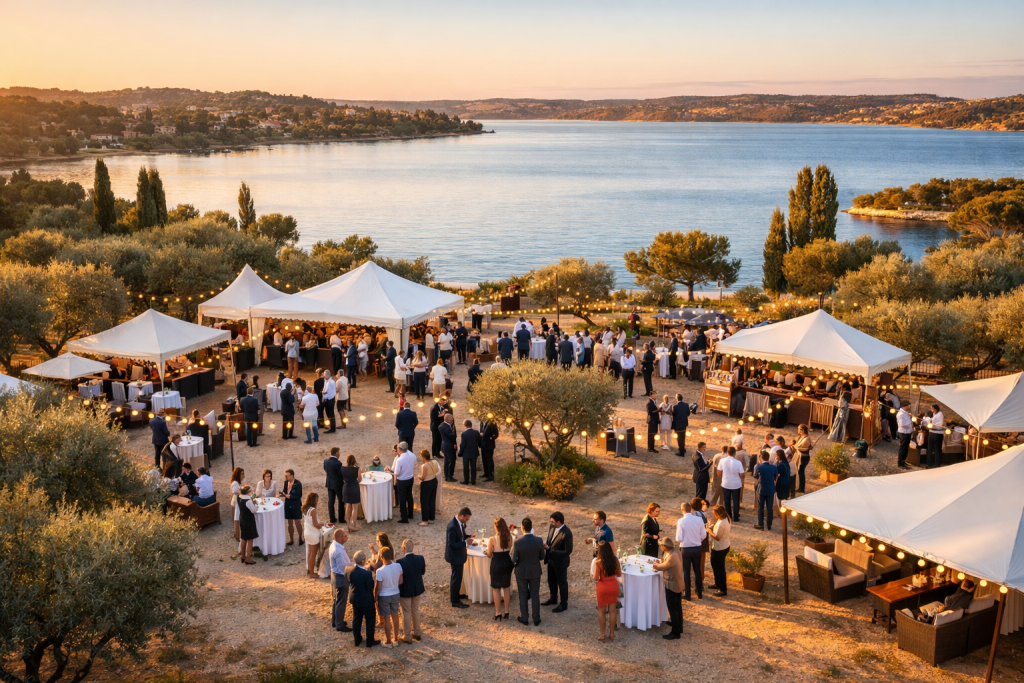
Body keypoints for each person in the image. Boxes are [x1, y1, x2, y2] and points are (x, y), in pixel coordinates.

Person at [512, 517, 546, 626]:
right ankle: (536, 618)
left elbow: (514, 559)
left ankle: (524, 618)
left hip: (521, 571)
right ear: (531, 528)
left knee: (523, 594)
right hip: (535, 571)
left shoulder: (517, 542)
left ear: (522, 528)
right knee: (535, 594)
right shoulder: (539, 540)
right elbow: (542, 557)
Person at [653, 537, 684, 639]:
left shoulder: (672, 557)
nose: (661, 547)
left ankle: (675, 632)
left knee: (673, 608)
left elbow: (663, 567)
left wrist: (654, 566)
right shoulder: (675, 552)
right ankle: (679, 626)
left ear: (665, 546)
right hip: (678, 583)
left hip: (672, 585)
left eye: (661, 545)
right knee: (677, 606)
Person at [676, 501, 707, 600]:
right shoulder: (699, 519)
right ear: (690, 509)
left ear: (682, 510)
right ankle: (699, 592)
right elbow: (703, 535)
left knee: (686, 571)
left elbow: (679, 538)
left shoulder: (681, 521)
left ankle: (687, 594)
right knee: (697, 570)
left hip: (686, 548)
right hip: (697, 547)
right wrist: (697, 540)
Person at [374, 547, 404, 648]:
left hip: (384, 595)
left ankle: (388, 641)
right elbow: (400, 581)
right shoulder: (398, 566)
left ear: (382, 557)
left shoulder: (380, 571)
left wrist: (375, 596)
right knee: (395, 615)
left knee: (387, 618)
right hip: (395, 593)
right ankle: (396, 638)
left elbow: (379, 587)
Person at [543, 511, 573, 612]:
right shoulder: (552, 527)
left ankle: (564, 604)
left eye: (553, 521)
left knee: (562, 583)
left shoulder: (567, 533)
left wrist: (551, 550)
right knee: (551, 580)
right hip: (551, 560)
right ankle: (553, 598)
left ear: (558, 522)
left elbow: (568, 551)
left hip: (560, 562)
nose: (551, 523)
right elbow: (549, 540)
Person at [396, 539, 426, 642]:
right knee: (416, 609)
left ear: (404, 548)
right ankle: (417, 632)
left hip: (405, 589)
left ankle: (407, 636)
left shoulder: (400, 562)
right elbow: (422, 572)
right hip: (417, 588)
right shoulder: (420, 558)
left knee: (406, 612)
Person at [348, 551, 378, 647]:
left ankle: (357, 639)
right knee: (370, 620)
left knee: (356, 619)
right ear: (363, 560)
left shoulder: (348, 570)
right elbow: (370, 587)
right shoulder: (367, 574)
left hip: (355, 598)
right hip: (366, 600)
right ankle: (370, 641)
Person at [593, 540, 622, 642]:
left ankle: (602, 634)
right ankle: (612, 634)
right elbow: (619, 574)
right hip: (613, 586)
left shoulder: (598, 563)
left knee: (601, 611)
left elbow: (596, 577)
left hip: (603, 587)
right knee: (612, 611)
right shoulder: (615, 560)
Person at [445, 507, 473, 609]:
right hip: (455, 556)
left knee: (457, 577)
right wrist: (465, 543)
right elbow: (452, 544)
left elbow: (462, 535)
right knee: (456, 578)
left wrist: (469, 537)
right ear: (461, 516)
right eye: (466, 519)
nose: (467, 521)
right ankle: (455, 600)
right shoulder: (452, 526)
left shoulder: (459, 523)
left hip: (459, 555)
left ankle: (456, 595)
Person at [488, 518, 515, 620]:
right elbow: (510, 549)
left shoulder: (492, 539)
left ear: (496, 527)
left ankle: (498, 612)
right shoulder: (510, 537)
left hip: (496, 564)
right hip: (507, 563)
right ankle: (507, 611)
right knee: (506, 588)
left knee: (496, 589)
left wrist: (488, 553)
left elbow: (490, 554)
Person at [330, 527, 354, 632]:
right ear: (340, 538)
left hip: (334, 575)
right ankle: (339, 624)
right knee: (341, 601)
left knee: (336, 600)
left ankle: (335, 621)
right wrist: (355, 565)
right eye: (345, 536)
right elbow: (344, 566)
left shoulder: (334, 545)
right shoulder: (338, 551)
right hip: (340, 576)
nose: (347, 537)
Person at [707, 505, 732, 597]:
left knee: (720, 568)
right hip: (723, 546)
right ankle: (717, 583)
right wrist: (714, 527)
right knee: (714, 564)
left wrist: (709, 531)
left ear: (717, 513)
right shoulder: (726, 518)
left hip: (720, 547)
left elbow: (718, 537)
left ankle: (723, 589)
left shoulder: (722, 523)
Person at [390, 442, 417, 524]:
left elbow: (397, 473)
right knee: (409, 496)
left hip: (402, 481)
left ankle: (404, 518)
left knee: (402, 499)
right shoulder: (412, 455)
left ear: (399, 449)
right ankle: (411, 514)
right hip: (410, 478)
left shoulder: (400, 459)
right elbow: (415, 463)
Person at [753, 452, 779, 531]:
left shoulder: (758, 466)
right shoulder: (774, 467)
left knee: (761, 507)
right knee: (769, 507)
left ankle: (761, 524)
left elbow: (755, 476)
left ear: (761, 458)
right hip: (770, 489)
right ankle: (769, 523)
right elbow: (775, 476)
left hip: (761, 489)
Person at [718, 447, 745, 522]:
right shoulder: (738, 462)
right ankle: (736, 517)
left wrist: (725, 474)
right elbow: (742, 474)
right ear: (735, 453)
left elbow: (719, 473)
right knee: (736, 501)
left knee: (727, 500)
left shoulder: (722, 460)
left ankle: (728, 516)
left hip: (726, 483)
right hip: (736, 484)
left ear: (727, 452)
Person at [278, 469, 303, 545]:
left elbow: (299, 495)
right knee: (290, 522)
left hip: (296, 504)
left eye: (287, 476)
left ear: (292, 475)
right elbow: (285, 491)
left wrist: (289, 496)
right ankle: (291, 539)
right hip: (288, 504)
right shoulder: (286, 482)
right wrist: (281, 495)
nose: (285, 477)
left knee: (297, 522)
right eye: (285, 475)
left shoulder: (298, 484)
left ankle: (300, 538)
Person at [302, 492, 323, 577]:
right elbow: (315, 524)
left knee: (310, 553)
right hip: (313, 534)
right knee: (313, 554)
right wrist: (321, 524)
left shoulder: (305, 509)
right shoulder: (313, 510)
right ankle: (311, 573)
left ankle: (310, 570)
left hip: (307, 532)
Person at [416, 450, 439, 526]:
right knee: (432, 500)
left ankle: (425, 520)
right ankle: (431, 519)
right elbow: (437, 470)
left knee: (424, 502)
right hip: (434, 480)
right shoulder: (434, 462)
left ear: (423, 457)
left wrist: (418, 476)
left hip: (426, 483)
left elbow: (423, 477)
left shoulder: (424, 466)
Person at [324, 447, 345, 525]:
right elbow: (340, 474)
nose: (339, 454)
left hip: (329, 484)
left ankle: (332, 518)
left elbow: (325, 470)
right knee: (341, 502)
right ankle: (341, 519)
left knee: (331, 501)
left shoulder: (326, 461)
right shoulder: (338, 463)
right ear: (336, 453)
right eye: (339, 453)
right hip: (338, 485)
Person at [238, 485, 258, 565]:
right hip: (249, 521)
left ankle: (243, 556)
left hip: (242, 519)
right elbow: (253, 511)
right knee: (250, 540)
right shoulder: (248, 501)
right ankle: (248, 558)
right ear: (248, 492)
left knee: (243, 538)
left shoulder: (240, 498)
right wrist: (255, 505)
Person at [341, 453, 361, 532]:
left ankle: (348, 524)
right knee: (355, 507)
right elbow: (359, 480)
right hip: (354, 488)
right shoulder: (357, 469)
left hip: (346, 488)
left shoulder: (342, 468)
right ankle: (354, 524)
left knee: (348, 505)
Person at [458, 419, 481, 485]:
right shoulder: (476, 432)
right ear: (471, 425)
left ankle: (466, 480)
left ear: (465, 426)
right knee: (473, 467)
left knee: (466, 467)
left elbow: (463, 444)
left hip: (466, 453)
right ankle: (473, 481)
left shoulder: (464, 434)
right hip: (474, 452)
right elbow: (479, 441)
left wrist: (460, 453)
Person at [429, 394, 450, 460]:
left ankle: (438, 452)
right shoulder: (434, 408)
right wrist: (443, 415)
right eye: (442, 401)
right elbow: (435, 417)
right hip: (435, 425)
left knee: (440, 439)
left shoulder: (442, 407)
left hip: (440, 425)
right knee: (435, 439)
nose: (443, 402)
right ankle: (434, 453)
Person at [440, 413, 458, 483]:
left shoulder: (444, 425)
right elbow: (452, 436)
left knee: (447, 461)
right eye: (451, 419)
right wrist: (454, 443)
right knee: (451, 461)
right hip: (449, 446)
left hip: (446, 445)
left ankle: (447, 476)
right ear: (448, 420)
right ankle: (449, 476)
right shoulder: (445, 427)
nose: (452, 420)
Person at [794, 424, 813, 493]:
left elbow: (801, 448)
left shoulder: (806, 439)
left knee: (801, 472)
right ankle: (800, 487)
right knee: (800, 472)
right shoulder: (802, 437)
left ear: (802, 430)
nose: (798, 430)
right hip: (801, 456)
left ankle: (801, 488)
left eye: (799, 429)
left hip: (803, 457)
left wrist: (796, 447)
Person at [896, 400, 914, 470]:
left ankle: (903, 460)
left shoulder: (905, 413)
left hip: (908, 432)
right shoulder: (900, 414)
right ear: (904, 406)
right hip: (903, 432)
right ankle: (900, 462)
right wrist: (911, 423)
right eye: (908, 406)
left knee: (906, 447)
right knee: (902, 447)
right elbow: (902, 424)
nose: (909, 408)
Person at [480, 416, 499, 482]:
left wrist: (491, 438)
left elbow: (496, 434)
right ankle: (486, 473)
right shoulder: (482, 422)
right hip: (483, 444)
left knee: (489, 460)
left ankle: (491, 475)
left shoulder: (492, 423)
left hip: (489, 445)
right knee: (484, 459)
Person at [926, 403, 945, 469]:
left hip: (937, 433)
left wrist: (932, 424)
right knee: (929, 448)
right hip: (931, 432)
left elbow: (940, 424)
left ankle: (937, 463)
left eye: (932, 408)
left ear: (935, 408)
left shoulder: (940, 414)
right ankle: (929, 463)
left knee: (937, 449)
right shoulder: (934, 414)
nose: (931, 410)